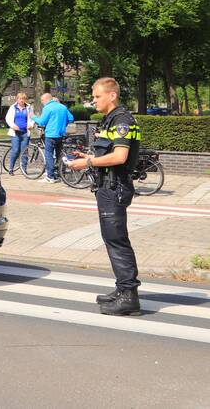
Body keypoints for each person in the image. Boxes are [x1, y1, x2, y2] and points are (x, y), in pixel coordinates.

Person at [67, 77, 142, 316]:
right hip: (108, 186)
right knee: (112, 239)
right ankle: (122, 289)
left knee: (117, 240)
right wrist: (89, 154)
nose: (94, 101)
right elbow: (108, 152)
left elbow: (120, 157)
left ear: (112, 96)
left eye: (97, 96)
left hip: (114, 187)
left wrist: (87, 161)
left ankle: (129, 296)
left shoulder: (122, 120)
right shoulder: (111, 120)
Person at [33, 93, 74, 183]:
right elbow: (71, 118)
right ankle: (59, 174)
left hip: (51, 134)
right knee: (59, 155)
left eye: (42, 101)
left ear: (46, 99)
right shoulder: (62, 107)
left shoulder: (47, 108)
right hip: (60, 135)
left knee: (49, 155)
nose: (42, 102)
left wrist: (33, 117)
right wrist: (63, 124)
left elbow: (42, 122)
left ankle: (50, 176)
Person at [4, 92, 34, 175]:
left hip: (25, 133)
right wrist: (13, 125)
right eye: (20, 99)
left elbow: (32, 118)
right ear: (17, 99)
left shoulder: (28, 108)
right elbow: (8, 118)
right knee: (15, 150)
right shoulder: (13, 107)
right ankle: (11, 168)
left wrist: (31, 125)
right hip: (15, 133)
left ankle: (24, 169)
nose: (21, 100)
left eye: (23, 99)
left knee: (24, 152)